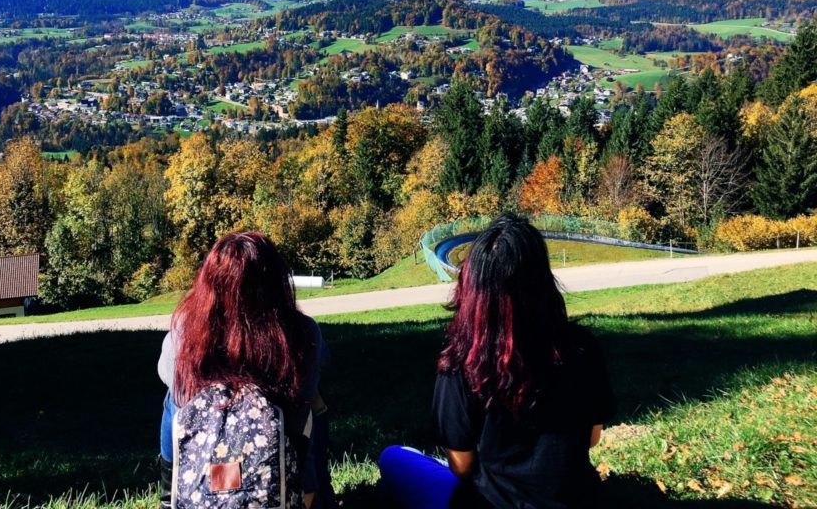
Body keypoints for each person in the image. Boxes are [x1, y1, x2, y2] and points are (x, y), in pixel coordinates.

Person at [380, 214, 616, 509]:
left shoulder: (461, 360)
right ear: (543, 281)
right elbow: (592, 438)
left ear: (473, 288)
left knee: (393, 456)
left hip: (491, 502)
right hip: (577, 500)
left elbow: (462, 466)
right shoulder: (583, 348)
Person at [157, 232, 329, 508]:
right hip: (280, 465)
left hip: (201, 460)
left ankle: (170, 494)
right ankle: (313, 492)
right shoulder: (302, 331)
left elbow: (170, 378)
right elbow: (305, 394)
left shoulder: (186, 329)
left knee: (173, 401)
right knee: (312, 408)